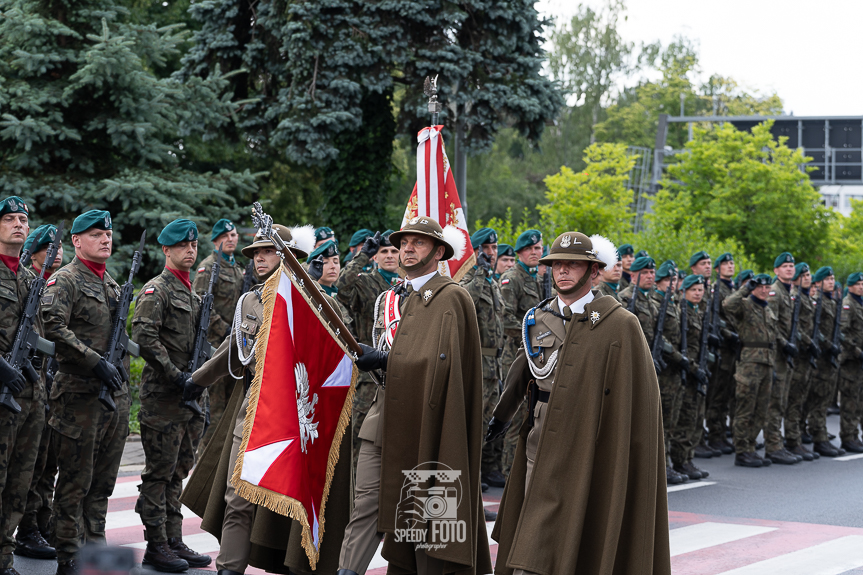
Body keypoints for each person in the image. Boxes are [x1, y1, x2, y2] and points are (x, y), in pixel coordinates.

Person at [487, 231, 671, 575]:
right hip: (540, 435)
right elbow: (523, 368)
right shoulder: (538, 318)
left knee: (577, 526)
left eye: (573, 265)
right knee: (535, 520)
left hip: (590, 438)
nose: (563, 272)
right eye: (557, 265)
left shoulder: (619, 324)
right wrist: (500, 416)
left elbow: (640, 401)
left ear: (594, 272)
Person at [180, 223, 352, 575]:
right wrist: (196, 381)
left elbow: (343, 357)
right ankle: (229, 569)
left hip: (303, 418)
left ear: (290, 256)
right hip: (255, 414)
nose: (258, 257)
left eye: (267, 251)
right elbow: (234, 350)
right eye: (255, 252)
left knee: (296, 504)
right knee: (237, 498)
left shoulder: (321, 302)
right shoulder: (252, 302)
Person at [337, 216, 491, 575]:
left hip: (427, 421)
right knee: (367, 505)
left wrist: (388, 360)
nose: (407, 247)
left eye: (418, 242)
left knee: (425, 514)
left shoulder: (452, 298)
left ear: (439, 252)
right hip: (383, 416)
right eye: (404, 242)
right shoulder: (390, 298)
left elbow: (446, 367)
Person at [41, 210, 130, 574]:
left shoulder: (111, 283)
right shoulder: (65, 281)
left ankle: (95, 551)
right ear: (77, 242)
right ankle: (69, 556)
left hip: (112, 398)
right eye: (96, 235)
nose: (105, 240)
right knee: (75, 484)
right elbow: (52, 325)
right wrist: (94, 361)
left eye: (107, 235)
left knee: (102, 485)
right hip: (78, 397)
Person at [132, 219, 211, 572]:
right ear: (167, 249)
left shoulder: (192, 295)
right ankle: (156, 543)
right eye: (182, 245)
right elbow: (145, 339)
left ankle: (174, 538)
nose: (190, 250)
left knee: (178, 472)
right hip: (164, 399)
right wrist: (177, 376)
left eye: (193, 245)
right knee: (159, 474)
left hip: (189, 399)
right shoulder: (157, 290)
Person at [0, 197, 50, 575]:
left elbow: (38, 336)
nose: (19, 224)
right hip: (1, 391)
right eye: (10, 219)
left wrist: (33, 368)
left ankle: (4, 558)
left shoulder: (32, 279)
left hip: (29, 398)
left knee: (20, 481)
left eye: (23, 219)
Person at [15, 225, 64, 561]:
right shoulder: (31, 284)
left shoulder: (55, 284)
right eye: (49, 247)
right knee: (29, 463)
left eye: (59, 246)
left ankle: (41, 522)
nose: (56, 251)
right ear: (34, 253)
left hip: (53, 385)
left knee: (47, 461)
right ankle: (28, 528)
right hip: (29, 384)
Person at [335, 230, 399, 473]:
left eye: (394, 251)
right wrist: (362, 256)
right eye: (384, 251)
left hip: (398, 368)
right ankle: (356, 502)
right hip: (369, 374)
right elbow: (341, 288)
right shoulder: (365, 282)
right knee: (363, 440)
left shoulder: (407, 285)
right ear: (376, 256)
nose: (390, 255)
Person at [461, 228, 506, 496]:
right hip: (477, 366)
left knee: (485, 428)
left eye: (494, 248)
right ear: (476, 251)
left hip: (494, 368)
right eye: (486, 248)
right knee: (472, 430)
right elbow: (465, 301)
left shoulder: (492, 281)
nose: (492, 253)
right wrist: (477, 271)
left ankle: (474, 484)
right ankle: (470, 490)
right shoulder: (470, 278)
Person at [193, 218, 244, 453]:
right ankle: (205, 464)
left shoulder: (236, 268)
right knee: (214, 411)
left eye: (233, 235)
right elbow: (201, 303)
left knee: (233, 411)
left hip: (237, 346)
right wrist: (223, 328)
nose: (231, 239)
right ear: (216, 241)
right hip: (215, 346)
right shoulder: (208, 266)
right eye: (226, 236)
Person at [499, 229, 543, 476]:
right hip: (516, 355)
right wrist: (536, 334)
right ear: (521, 253)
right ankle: (508, 471)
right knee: (515, 414)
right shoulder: (512, 278)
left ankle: (524, 466)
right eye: (531, 249)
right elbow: (505, 319)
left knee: (533, 413)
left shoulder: (537, 279)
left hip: (538, 356)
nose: (536, 253)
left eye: (539, 249)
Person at [722, 273, 777, 468]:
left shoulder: (767, 309)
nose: (764, 290)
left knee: (761, 410)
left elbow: (772, 338)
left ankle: (751, 447)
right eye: (760, 286)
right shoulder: (745, 305)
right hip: (749, 364)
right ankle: (742, 451)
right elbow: (727, 305)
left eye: (767, 286)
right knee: (745, 408)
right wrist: (746, 287)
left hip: (767, 363)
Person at [649, 262, 689, 484]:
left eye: (674, 280)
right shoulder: (656, 303)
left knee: (672, 418)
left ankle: (670, 462)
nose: (672, 284)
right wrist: (677, 356)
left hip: (673, 370)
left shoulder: (672, 303)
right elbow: (657, 337)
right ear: (659, 283)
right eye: (668, 281)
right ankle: (660, 465)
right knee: (661, 419)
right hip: (662, 368)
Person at [671, 274, 712, 480]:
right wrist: (694, 368)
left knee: (696, 417)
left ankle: (688, 457)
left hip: (699, 370)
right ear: (684, 291)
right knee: (685, 417)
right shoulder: (682, 312)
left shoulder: (698, 311)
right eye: (694, 290)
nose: (698, 293)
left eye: (700, 290)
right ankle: (680, 460)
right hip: (687, 370)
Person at [804, 267, 846, 457]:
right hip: (821, 357)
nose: (831, 281)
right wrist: (828, 345)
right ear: (818, 283)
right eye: (827, 279)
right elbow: (815, 331)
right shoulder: (817, 303)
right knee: (817, 399)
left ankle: (819, 434)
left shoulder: (831, 302)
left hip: (830, 357)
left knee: (824, 398)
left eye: (832, 278)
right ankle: (817, 437)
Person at [765, 252, 801, 465]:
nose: (789, 269)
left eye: (791, 266)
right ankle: (773, 446)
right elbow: (772, 325)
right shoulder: (775, 292)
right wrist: (784, 343)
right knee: (775, 401)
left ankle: (779, 442)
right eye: (785, 266)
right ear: (776, 270)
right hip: (777, 354)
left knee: (784, 399)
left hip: (787, 353)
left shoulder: (789, 292)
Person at [783, 263, 819, 460]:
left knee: (801, 398)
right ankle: (792, 440)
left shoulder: (806, 298)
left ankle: (797, 436)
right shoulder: (795, 298)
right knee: (794, 400)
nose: (807, 278)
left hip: (806, 355)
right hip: (798, 354)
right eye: (803, 275)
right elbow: (793, 327)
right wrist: (808, 341)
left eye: (808, 274)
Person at [704, 252, 739, 455]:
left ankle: (721, 432)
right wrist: (728, 334)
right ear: (718, 269)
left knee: (726, 392)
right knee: (718, 392)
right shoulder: (717, 290)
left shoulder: (731, 288)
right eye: (725, 264)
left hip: (732, 347)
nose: (730, 266)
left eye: (732, 263)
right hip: (722, 347)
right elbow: (716, 319)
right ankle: (715, 433)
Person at [838, 272, 863, 453]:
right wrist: (856, 351)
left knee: (860, 401)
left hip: (860, 361)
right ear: (850, 286)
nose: (861, 286)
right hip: (851, 360)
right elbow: (842, 333)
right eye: (858, 284)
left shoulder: (860, 304)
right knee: (850, 401)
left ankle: (855, 435)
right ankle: (848, 437)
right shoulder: (848, 305)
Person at [619, 256, 659, 342]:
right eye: (644, 273)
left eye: (652, 272)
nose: (650, 276)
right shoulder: (625, 298)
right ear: (633, 276)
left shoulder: (650, 297)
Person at [591, 235, 622, 301]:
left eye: (619, 265)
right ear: (601, 270)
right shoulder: (595, 294)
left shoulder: (619, 292)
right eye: (612, 266)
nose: (616, 269)